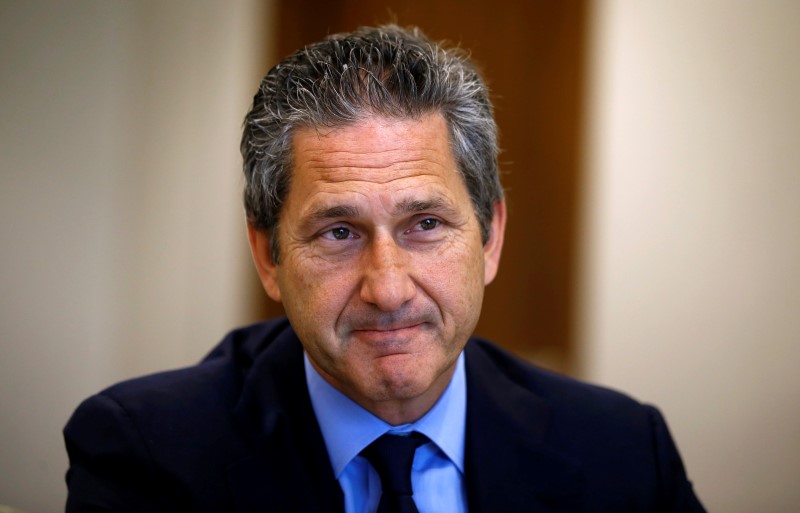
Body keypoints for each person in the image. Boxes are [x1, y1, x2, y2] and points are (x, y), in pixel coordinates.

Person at [63, 25, 705, 513]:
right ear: (269, 257)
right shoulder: (143, 456)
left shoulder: (625, 450)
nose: (388, 288)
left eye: (425, 224)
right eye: (339, 232)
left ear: (490, 238)